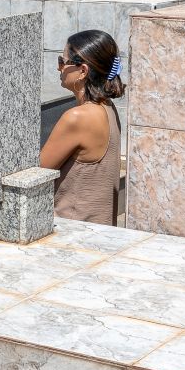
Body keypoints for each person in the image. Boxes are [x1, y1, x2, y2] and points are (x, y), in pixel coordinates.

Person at [40, 30, 125, 226]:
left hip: (71, 232)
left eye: (63, 61)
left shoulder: (78, 118)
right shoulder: (107, 107)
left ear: (83, 71)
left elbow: (37, 173)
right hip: (99, 231)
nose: (59, 68)